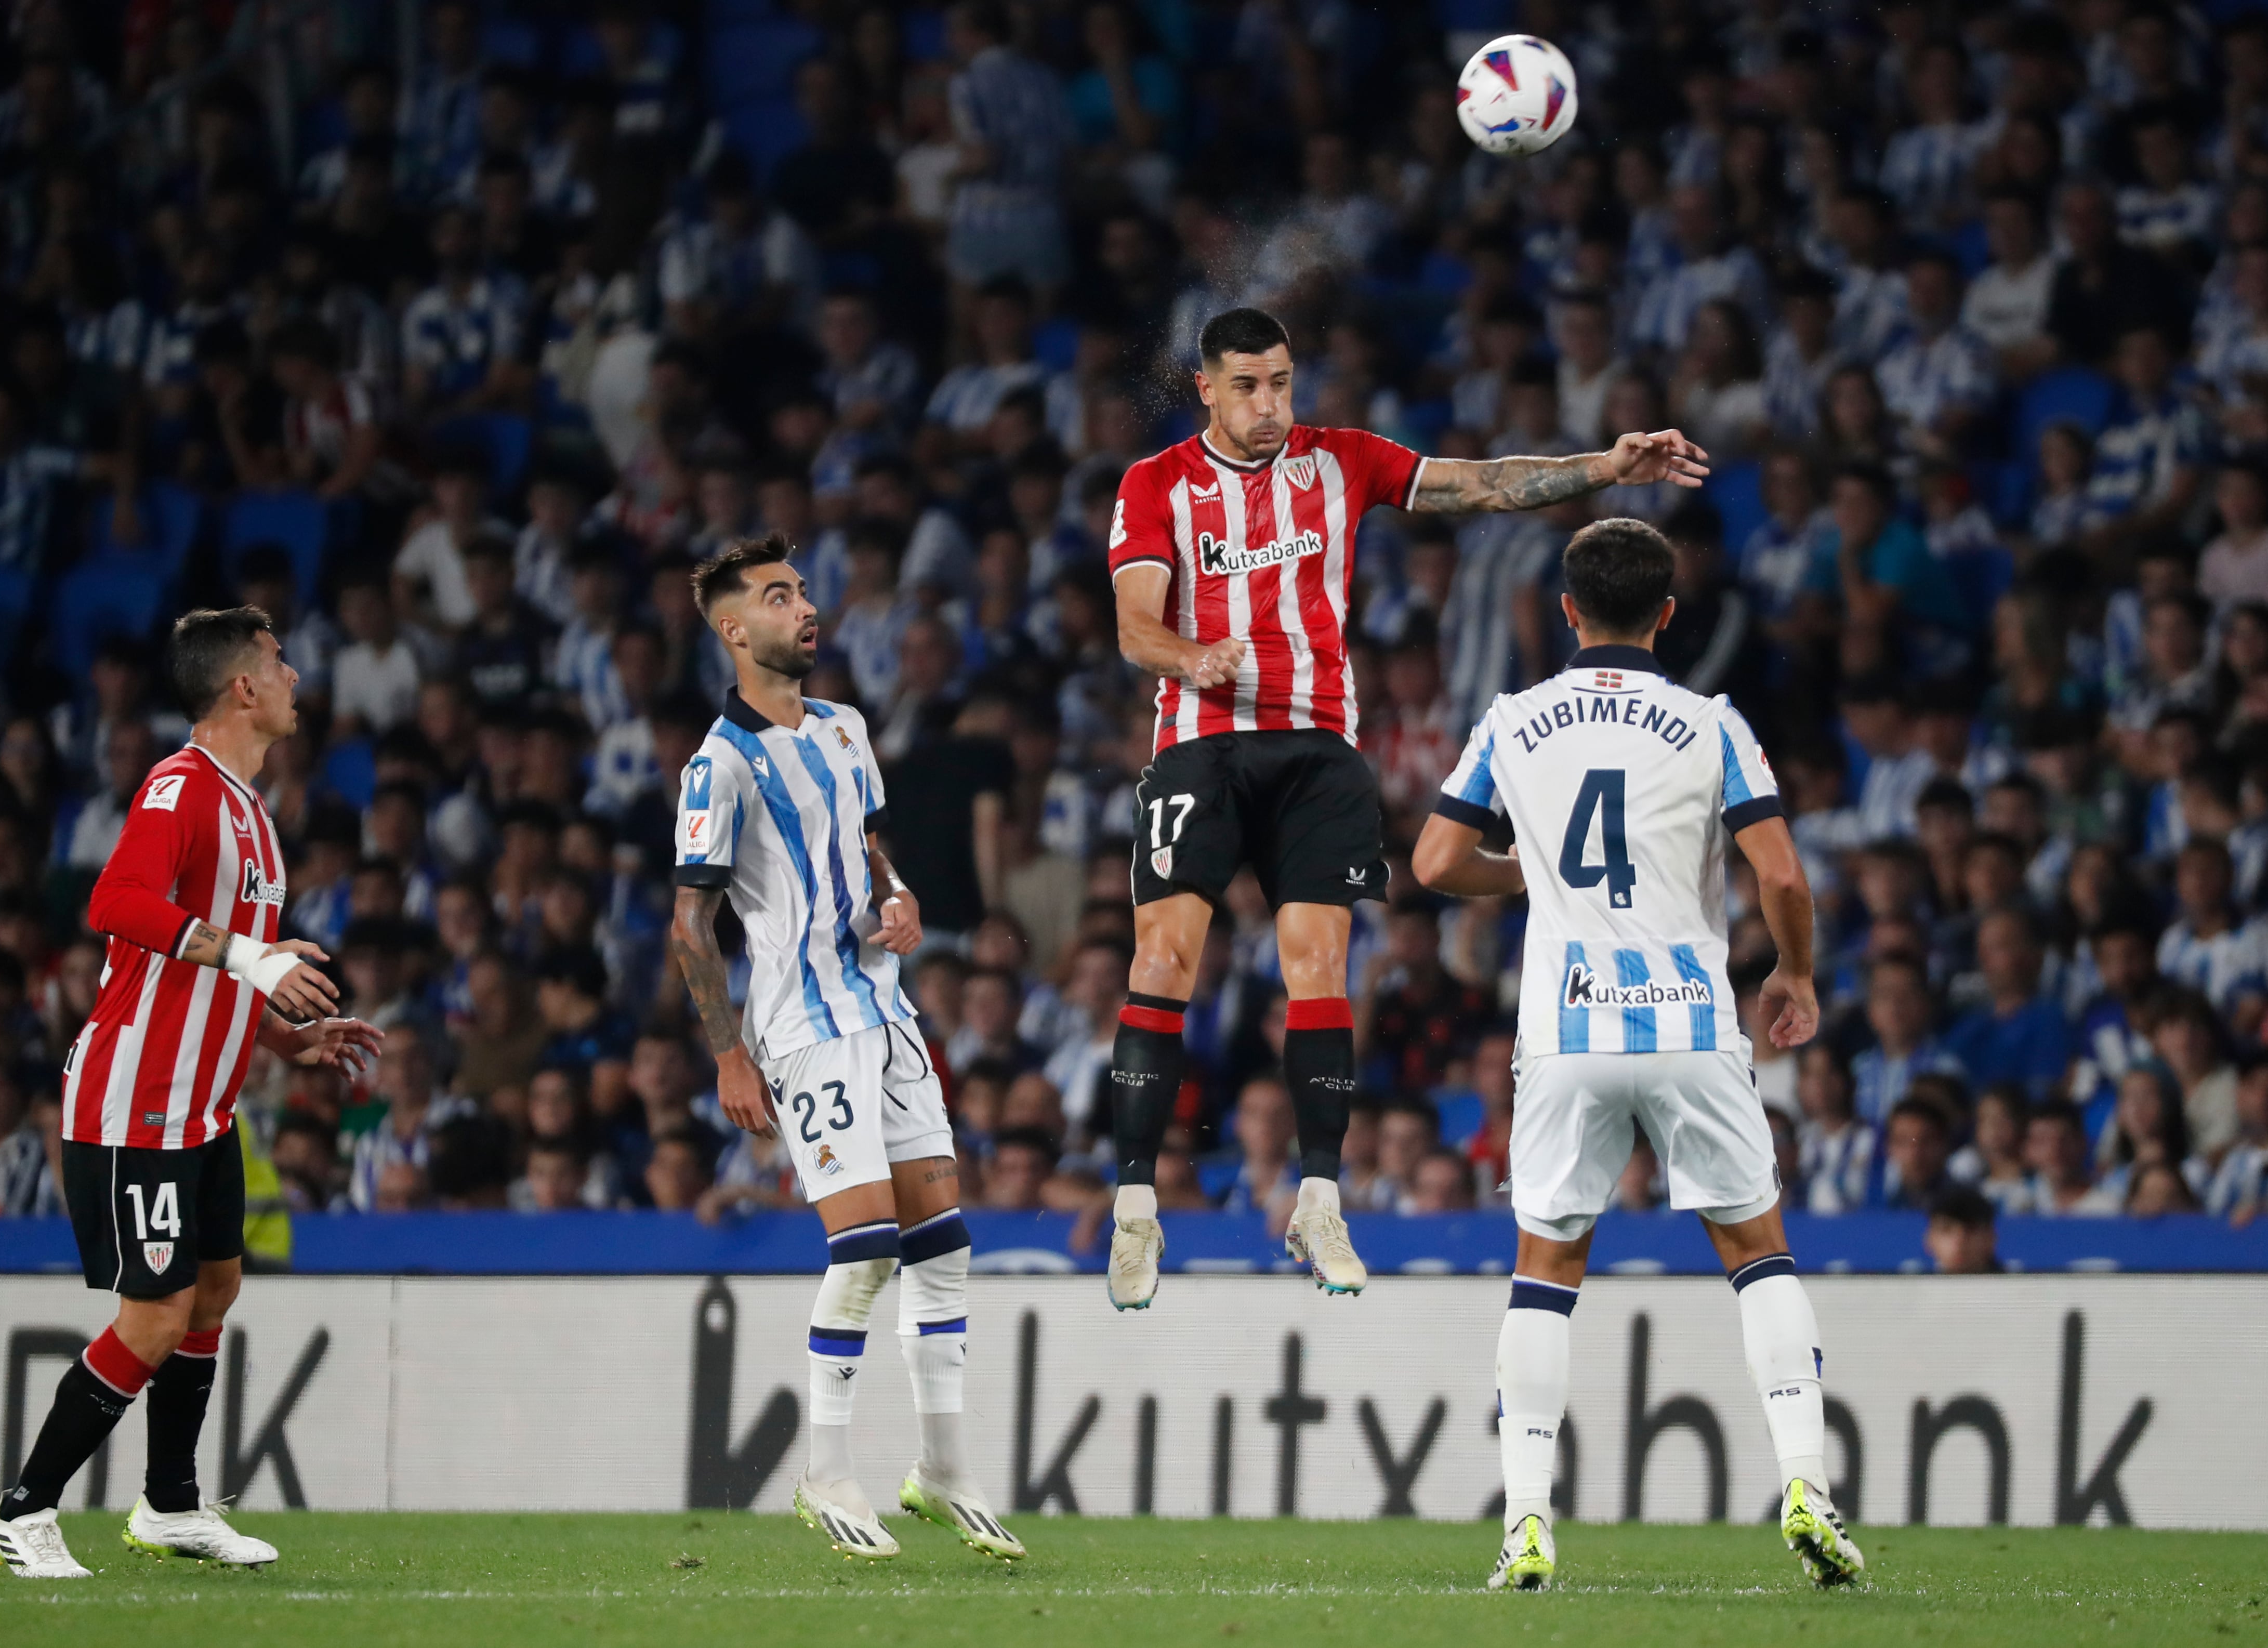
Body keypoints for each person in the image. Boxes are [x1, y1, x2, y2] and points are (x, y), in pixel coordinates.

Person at [1100, 306, 1709, 1309]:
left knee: (1321, 967)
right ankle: (1134, 1209)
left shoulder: (1342, 460)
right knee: (1162, 960)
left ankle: (1320, 1199)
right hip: (1198, 744)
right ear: (1206, 388)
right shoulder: (1155, 484)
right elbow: (1133, 625)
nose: (1270, 404)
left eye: (1283, 383)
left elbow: (1480, 484)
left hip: (1318, 748)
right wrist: (1190, 656)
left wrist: (1606, 466)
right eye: (1248, 386)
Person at [1412, 517, 1863, 1591]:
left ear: (1565, 610)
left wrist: (1533, 875)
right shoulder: (1710, 723)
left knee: (1545, 1270)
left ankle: (1524, 1518)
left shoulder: (1510, 720)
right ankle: (1804, 1480)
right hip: (1688, 1025)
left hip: (1563, 1028)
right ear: (1668, 613)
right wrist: (1792, 975)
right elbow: (1783, 879)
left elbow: (1432, 860)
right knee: (1755, 1248)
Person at [0, 608, 381, 1579]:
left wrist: (288, 1037)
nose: (294, 677)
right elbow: (114, 903)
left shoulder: (252, 814)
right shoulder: (180, 786)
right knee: (154, 1316)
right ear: (243, 686)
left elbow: (211, 977)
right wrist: (251, 952)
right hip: (137, 1101)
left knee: (214, 1290)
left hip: (205, 1106)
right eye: (280, 663)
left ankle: (169, 1504)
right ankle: (23, 1510)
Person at [667, 535, 1022, 1563]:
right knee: (864, 1248)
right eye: (778, 597)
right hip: (800, 1026)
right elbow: (689, 924)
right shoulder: (717, 763)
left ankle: (942, 1465)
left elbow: (871, 851)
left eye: (804, 590)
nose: (804, 607)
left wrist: (898, 896)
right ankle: (823, 1469)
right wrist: (729, 1055)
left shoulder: (845, 727)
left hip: (884, 1009)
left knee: (942, 1242)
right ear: (734, 630)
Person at [1924, 1186, 2001, 1273]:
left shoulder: (2015, 1284)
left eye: (1970, 1229)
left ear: (1991, 1237)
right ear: (1930, 1239)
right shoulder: (1911, 1285)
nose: (1960, 1241)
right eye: (1946, 1229)